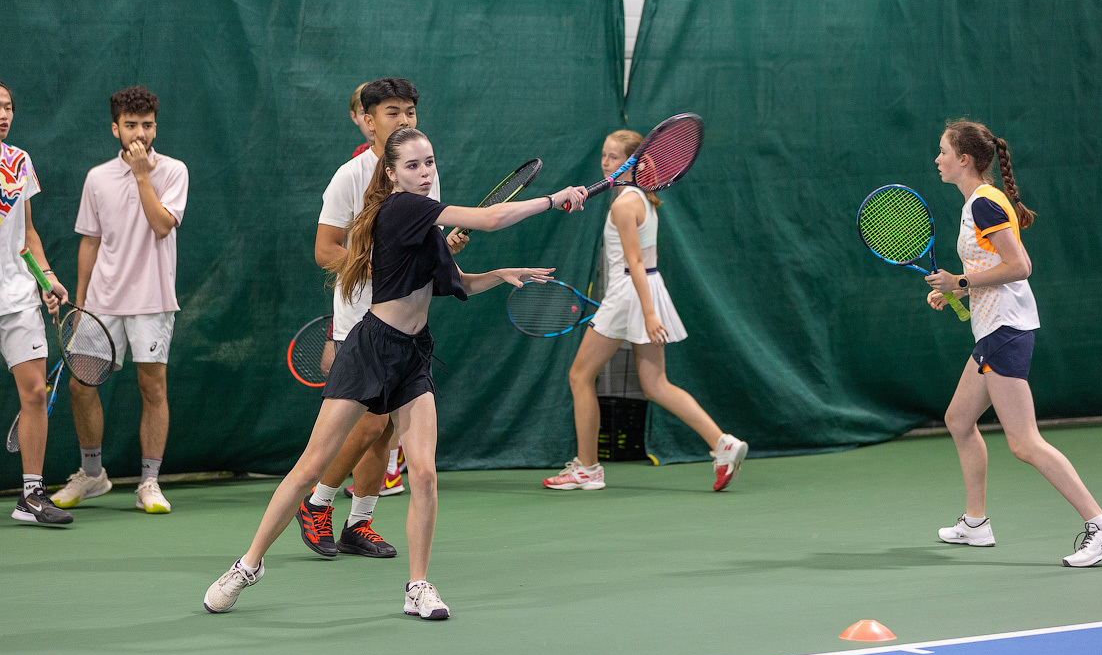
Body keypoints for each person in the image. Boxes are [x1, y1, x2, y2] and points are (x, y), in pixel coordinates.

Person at [205, 126, 586, 618]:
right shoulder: (403, 208)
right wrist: (554, 199)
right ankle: (247, 565)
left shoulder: (425, 226)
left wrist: (502, 275)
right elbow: (492, 218)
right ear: (390, 174)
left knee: (424, 472)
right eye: (413, 165)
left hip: (413, 354)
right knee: (309, 468)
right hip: (370, 349)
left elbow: (459, 283)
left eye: (430, 163)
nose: (425, 173)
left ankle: (418, 586)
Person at [925, 119, 1102, 568]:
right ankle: (975, 523)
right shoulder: (978, 203)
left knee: (1024, 443)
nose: (937, 159)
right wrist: (956, 290)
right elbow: (990, 267)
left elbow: (1020, 266)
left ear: (964, 160)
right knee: (959, 419)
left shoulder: (983, 204)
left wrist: (960, 278)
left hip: (1005, 331)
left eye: (942, 152)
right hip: (992, 329)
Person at [299, 78, 466, 560]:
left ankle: (359, 522)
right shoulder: (349, 178)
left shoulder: (423, 170)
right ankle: (317, 503)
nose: (406, 120)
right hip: (362, 321)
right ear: (368, 121)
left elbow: (423, 241)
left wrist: (442, 253)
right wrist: (376, 267)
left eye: (411, 111)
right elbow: (325, 250)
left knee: (387, 431)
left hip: (407, 325)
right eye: (394, 112)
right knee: (370, 427)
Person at [543, 130, 748, 492]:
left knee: (579, 376)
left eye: (613, 157)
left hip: (631, 292)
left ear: (633, 162)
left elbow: (635, 262)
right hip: (645, 289)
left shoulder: (624, 204)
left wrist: (649, 314)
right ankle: (723, 443)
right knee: (655, 384)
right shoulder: (640, 197)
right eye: (604, 155)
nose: (605, 163)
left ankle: (588, 469)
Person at [50, 86, 189, 514]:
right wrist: (80, 302)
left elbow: (162, 225)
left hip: (152, 300)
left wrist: (142, 175)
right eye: (131, 125)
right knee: (81, 385)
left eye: (147, 125)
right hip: (102, 303)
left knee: (153, 387)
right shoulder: (97, 178)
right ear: (115, 128)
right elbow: (90, 243)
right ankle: (92, 475)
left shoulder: (173, 171)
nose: (140, 134)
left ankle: (149, 481)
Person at [0, 76, 72, 527]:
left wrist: (47, 278)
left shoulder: (19, 162)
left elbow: (27, 234)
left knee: (35, 392)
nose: (5, 115)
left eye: (10, 108)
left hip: (18, 297)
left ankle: (32, 494)